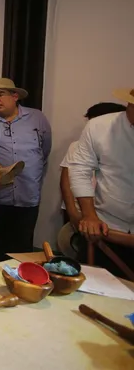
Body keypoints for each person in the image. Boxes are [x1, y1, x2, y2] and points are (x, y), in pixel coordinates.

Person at [0, 78, 52, 266]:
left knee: (21, 252)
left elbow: (45, 150)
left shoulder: (37, 118)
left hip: (27, 198)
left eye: (1, 94)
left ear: (15, 96)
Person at [66, 88, 134, 277]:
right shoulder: (99, 126)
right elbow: (79, 169)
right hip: (108, 226)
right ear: (130, 104)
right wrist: (89, 215)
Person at [58, 102, 126, 259]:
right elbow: (66, 181)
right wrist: (74, 215)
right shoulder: (77, 146)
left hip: (112, 220)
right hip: (83, 213)